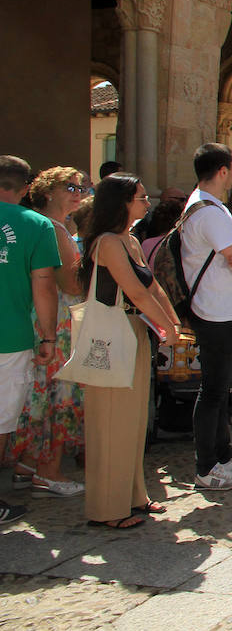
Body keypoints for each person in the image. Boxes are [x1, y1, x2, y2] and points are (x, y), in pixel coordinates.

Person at [81, 173, 181, 528]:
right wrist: (168, 328)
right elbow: (135, 292)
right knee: (112, 422)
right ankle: (108, 509)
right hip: (112, 336)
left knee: (134, 421)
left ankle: (134, 495)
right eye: (140, 196)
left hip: (133, 331)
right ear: (122, 202)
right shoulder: (108, 242)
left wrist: (173, 323)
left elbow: (152, 287)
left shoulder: (130, 240)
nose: (146, 202)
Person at [183, 143, 232, 491]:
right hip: (216, 309)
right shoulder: (210, 211)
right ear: (224, 170)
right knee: (214, 389)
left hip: (219, 306)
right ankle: (206, 465)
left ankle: (223, 456)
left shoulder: (205, 205)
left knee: (221, 386)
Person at [10, 167, 87, 498]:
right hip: (57, 320)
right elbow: (70, 283)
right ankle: (48, 471)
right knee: (58, 394)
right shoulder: (53, 228)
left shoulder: (50, 226)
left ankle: (28, 464)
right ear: (47, 191)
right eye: (70, 187)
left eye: (81, 188)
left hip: (46, 319)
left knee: (42, 392)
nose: (78, 193)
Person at [0, 156, 62, 524]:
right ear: (26, 189)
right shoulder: (36, 225)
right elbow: (44, 284)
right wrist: (49, 336)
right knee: (0, 420)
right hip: (9, 336)